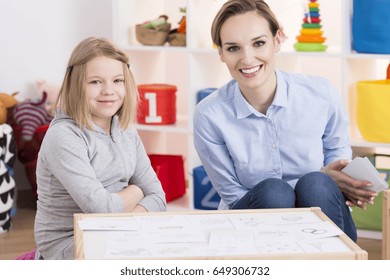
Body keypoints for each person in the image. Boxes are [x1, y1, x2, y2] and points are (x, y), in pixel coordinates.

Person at [193, 0, 377, 242]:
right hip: (251, 226)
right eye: (233, 48)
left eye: (259, 43)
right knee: (274, 192)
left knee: (316, 184)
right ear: (221, 53)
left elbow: (336, 163)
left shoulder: (320, 94)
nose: (247, 59)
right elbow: (233, 194)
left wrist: (341, 181)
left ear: (278, 40)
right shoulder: (209, 115)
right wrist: (311, 181)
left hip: (323, 212)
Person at [34, 37, 166, 259]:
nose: (108, 91)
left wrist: (122, 224)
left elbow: (158, 198)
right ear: (76, 85)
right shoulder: (64, 136)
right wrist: (137, 190)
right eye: (95, 82)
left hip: (117, 231)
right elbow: (101, 209)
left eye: (117, 80)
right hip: (69, 242)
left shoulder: (125, 129)